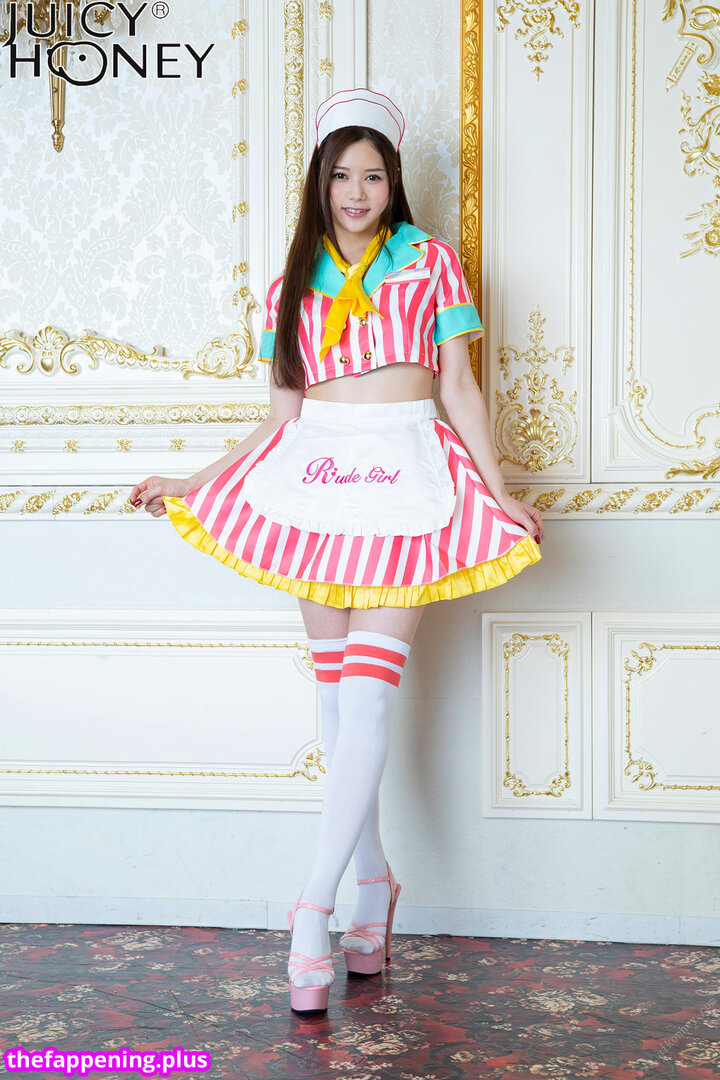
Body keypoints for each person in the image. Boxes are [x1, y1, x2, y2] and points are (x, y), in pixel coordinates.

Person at [129, 87, 544, 1014]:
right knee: (334, 697)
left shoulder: (431, 262)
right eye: (343, 176)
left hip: (408, 475)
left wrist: (500, 492)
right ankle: (373, 886)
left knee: (367, 693)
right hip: (313, 479)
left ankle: (310, 907)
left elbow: (460, 390)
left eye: (375, 176)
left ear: (394, 183)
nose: (358, 193)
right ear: (319, 182)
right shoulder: (291, 281)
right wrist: (193, 481)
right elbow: (281, 417)